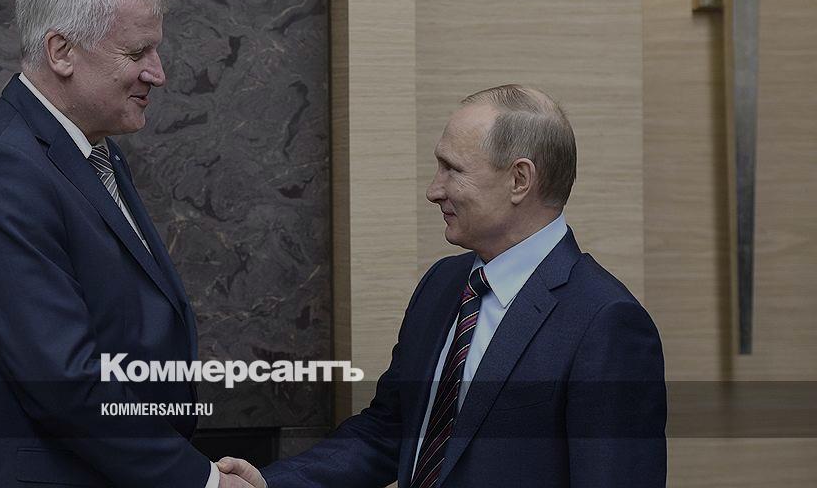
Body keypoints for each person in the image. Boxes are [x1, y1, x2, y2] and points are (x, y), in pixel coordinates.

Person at [219, 84, 667, 487]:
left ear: (519, 179)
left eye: (452, 169)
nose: (434, 190)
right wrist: (269, 484)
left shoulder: (606, 323)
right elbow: (390, 431)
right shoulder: (442, 285)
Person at [0, 0, 252, 488]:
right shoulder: (1, 169)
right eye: (137, 52)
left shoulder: (91, 151)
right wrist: (202, 482)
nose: (158, 73)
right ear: (62, 52)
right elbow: (64, 382)